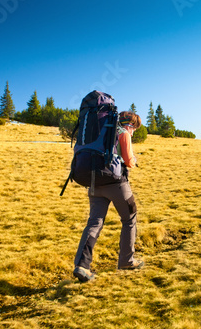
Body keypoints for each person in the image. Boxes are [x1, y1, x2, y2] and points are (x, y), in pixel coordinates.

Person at [73, 111, 144, 283]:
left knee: (94, 222)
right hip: (116, 183)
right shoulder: (123, 133)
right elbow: (128, 161)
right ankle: (127, 261)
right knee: (129, 218)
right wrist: (134, 159)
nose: (134, 132)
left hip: (94, 183)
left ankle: (82, 266)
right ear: (130, 124)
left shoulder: (100, 131)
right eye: (134, 128)